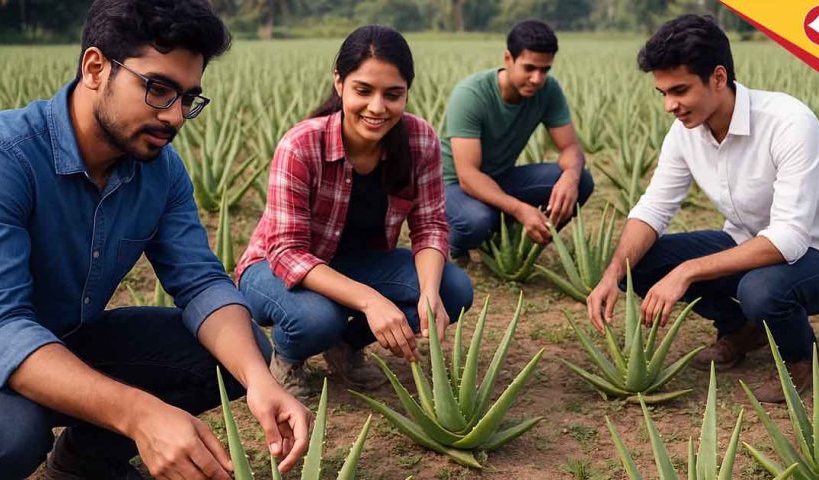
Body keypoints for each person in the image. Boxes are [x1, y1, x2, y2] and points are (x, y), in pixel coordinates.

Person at [0, 1, 312, 479]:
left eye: (187, 98)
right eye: (158, 89)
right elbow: (6, 326)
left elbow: (201, 282)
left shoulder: (161, 172)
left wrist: (258, 381)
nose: (176, 117)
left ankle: (84, 463)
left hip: (66, 339)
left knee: (238, 351)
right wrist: (139, 414)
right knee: (14, 435)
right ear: (96, 67)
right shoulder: (11, 159)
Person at [586, 14, 819, 404]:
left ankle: (800, 358)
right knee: (636, 263)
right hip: (747, 243)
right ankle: (741, 330)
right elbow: (654, 208)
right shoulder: (685, 132)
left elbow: (790, 240)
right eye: (662, 93)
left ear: (718, 78)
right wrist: (611, 273)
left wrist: (687, 270)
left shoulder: (788, 123)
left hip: (810, 252)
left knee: (760, 289)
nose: (669, 105)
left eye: (679, 90)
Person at [236, 25, 474, 401]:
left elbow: (429, 227)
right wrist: (371, 300)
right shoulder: (302, 145)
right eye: (364, 91)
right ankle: (288, 356)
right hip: (272, 267)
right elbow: (287, 253)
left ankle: (344, 346)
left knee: (453, 289)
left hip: (356, 263)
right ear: (340, 84)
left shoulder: (419, 140)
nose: (378, 108)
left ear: (407, 92)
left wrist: (428, 294)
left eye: (392, 95)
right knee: (317, 319)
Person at [441, 20, 594, 261]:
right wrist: (520, 209)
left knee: (581, 181)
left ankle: (514, 242)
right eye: (529, 68)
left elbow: (570, 147)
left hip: (500, 176)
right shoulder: (471, 95)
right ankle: (454, 244)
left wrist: (570, 177)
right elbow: (468, 176)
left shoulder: (548, 90)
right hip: (453, 185)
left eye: (545, 70)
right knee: (478, 221)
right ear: (507, 59)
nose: (537, 78)